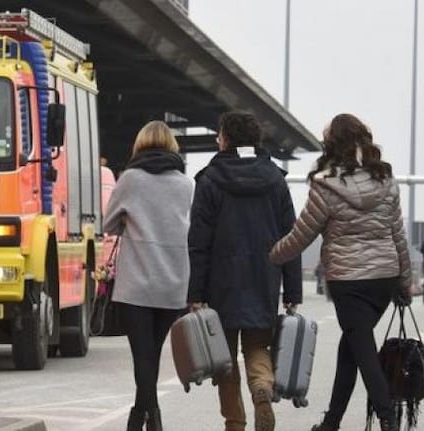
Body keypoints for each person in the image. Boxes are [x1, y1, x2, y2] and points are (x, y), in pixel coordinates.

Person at [269, 113, 411, 431]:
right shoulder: (386, 181)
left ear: (332, 145)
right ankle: (332, 421)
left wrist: (270, 256)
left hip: (349, 281)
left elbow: (300, 236)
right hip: (383, 280)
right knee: (351, 345)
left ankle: (388, 419)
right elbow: (398, 234)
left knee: (362, 350)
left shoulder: (326, 186)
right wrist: (404, 280)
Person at [187, 111, 302, 431]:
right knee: (257, 346)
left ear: (225, 139)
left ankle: (235, 423)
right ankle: (262, 387)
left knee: (224, 359)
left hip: (220, 282)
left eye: (218, 135)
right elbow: (290, 238)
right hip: (264, 278)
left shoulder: (209, 180)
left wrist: (195, 293)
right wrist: (292, 291)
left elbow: (198, 242)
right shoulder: (275, 180)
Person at [102, 120, 193, 431]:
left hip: (136, 285)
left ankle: (145, 417)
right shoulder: (186, 184)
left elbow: (109, 224)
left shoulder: (130, 179)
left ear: (139, 145)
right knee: (151, 353)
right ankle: (147, 416)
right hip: (173, 284)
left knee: (143, 356)